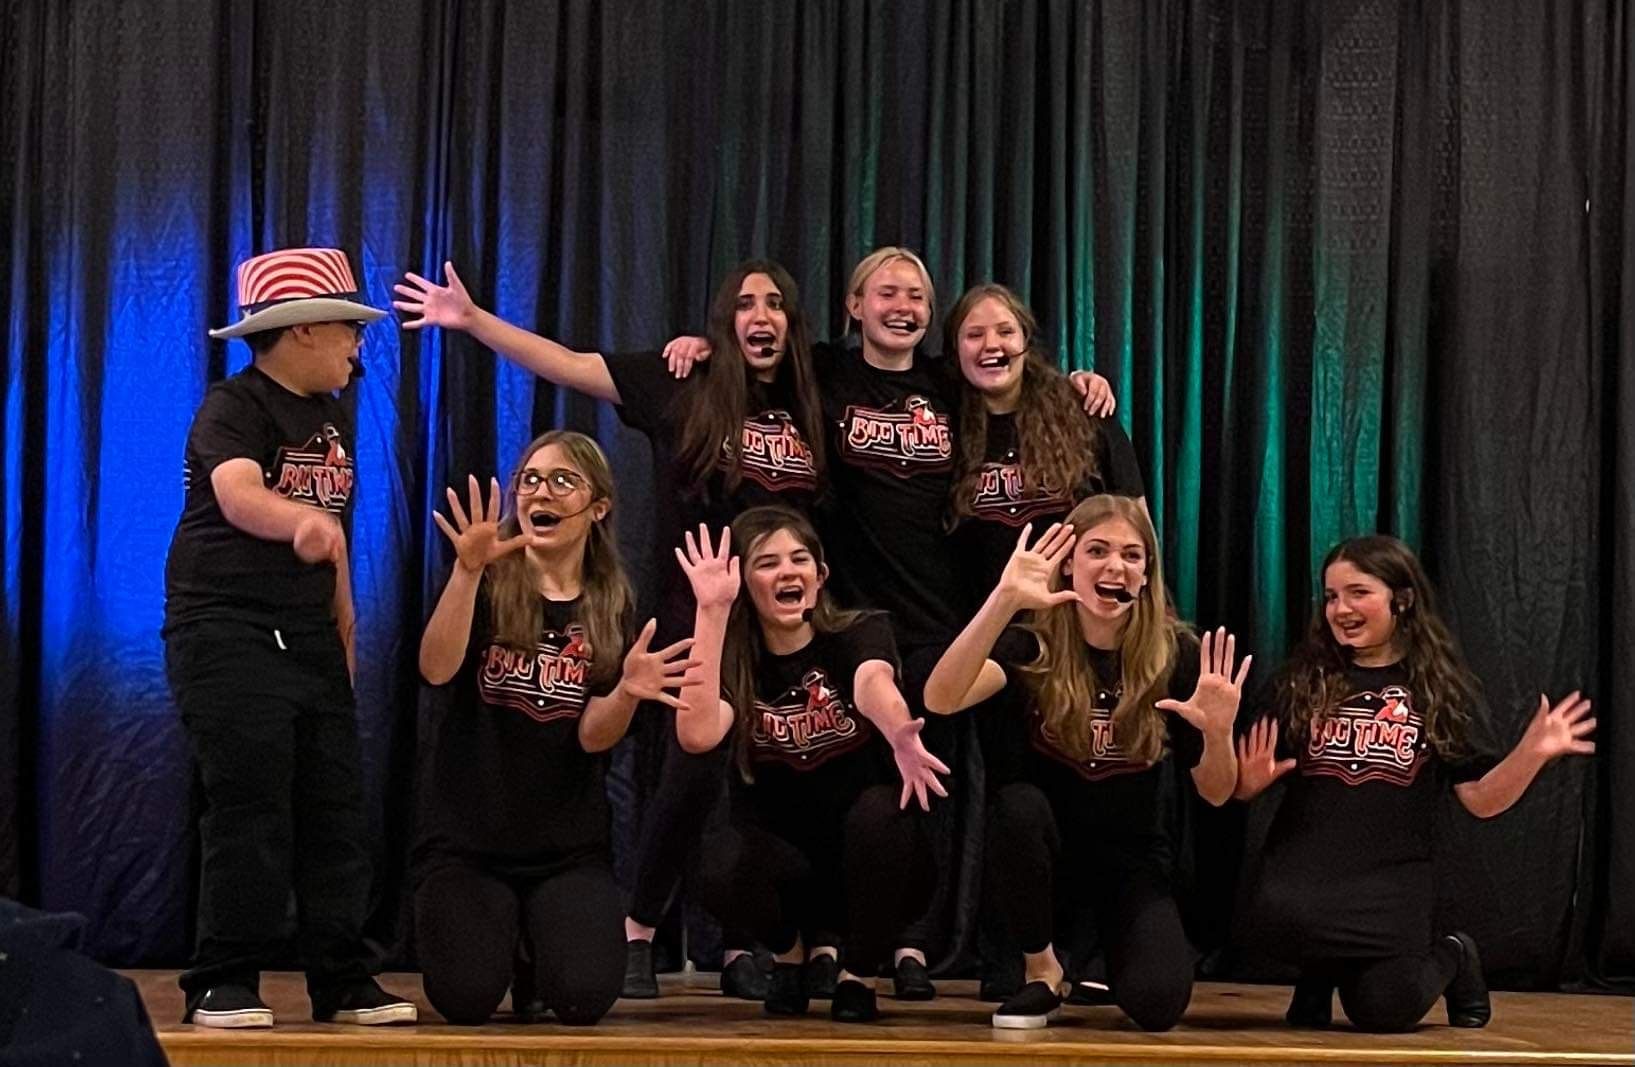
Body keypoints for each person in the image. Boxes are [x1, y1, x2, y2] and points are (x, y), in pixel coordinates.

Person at [663, 251, 1118, 998]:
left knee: (925, 783)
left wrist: (1073, 382)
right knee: (851, 784)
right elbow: (761, 354)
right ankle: (824, 941)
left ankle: (911, 942)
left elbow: (1001, 381)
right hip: (849, 617)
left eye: (916, 295)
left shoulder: (944, 381)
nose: (902, 305)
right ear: (853, 304)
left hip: (948, 617)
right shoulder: (828, 374)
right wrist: (702, 344)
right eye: (887, 292)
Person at [394, 259, 825, 999]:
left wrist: (1078, 387)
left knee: (773, 784)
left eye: (775, 303)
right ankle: (641, 927)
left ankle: (749, 947)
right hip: (696, 615)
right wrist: (473, 321)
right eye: (744, 303)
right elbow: (567, 363)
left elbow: (924, 382)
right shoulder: (681, 383)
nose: (761, 314)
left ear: (794, 322)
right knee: (689, 771)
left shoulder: (820, 394)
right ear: (722, 323)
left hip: (784, 620)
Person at [163, 247, 416, 1027]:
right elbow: (239, 494)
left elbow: (333, 528)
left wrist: (343, 624)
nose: (357, 344)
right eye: (347, 329)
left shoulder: (333, 414)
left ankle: (341, 980)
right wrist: (296, 519)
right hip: (226, 626)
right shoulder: (232, 407)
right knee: (250, 804)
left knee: (335, 807)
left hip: (306, 634)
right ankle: (223, 978)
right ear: (301, 331)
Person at [1234, 535, 1596, 1032]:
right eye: (1332, 596)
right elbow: (1241, 781)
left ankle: (1454, 954)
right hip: (1307, 884)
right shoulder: (1303, 681)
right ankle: (1321, 965)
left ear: (1401, 600)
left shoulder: (1439, 692)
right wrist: (1246, 783)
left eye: (1358, 592)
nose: (1341, 608)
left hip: (1388, 889)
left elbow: (1480, 800)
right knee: (1268, 924)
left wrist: (1531, 754)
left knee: (1386, 1011)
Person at [923, 496, 1246, 1030]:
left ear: (1146, 574)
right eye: (1097, 550)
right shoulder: (1031, 645)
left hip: (1131, 863)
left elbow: (1215, 792)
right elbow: (940, 697)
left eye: (1132, 555)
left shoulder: (1178, 656)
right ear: (1068, 563)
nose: (1115, 566)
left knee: (1159, 1004)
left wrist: (1217, 734)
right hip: (1042, 865)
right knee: (1017, 806)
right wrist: (1004, 600)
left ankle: (1104, 958)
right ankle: (1042, 969)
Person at [414, 430, 697, 1025]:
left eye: (564, 480)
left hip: (566, 852)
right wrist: (465, 573)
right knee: (465, 1000)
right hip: (470, 846)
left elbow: (594, 737)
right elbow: (436, 670)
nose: (542, 492)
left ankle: (537, 949)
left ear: (598, 508)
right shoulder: (488, 578)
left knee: (583, 998)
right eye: (531, 479)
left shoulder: (614, 602)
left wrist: (625, 690)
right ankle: (508, 946)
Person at [670, 507, 950, 1022]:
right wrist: (711, 612)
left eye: (800, 559)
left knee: (883, 811)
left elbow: (873, 683)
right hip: (786, 873)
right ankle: (789, 958)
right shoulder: (734, 657)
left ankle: (858, 976)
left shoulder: (860, 630)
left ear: (820, 577)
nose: (787, 572)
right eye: (768, 562)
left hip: (871, 871)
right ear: (743, 581)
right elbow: (697, 733)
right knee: (717, 856)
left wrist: (898, 729)